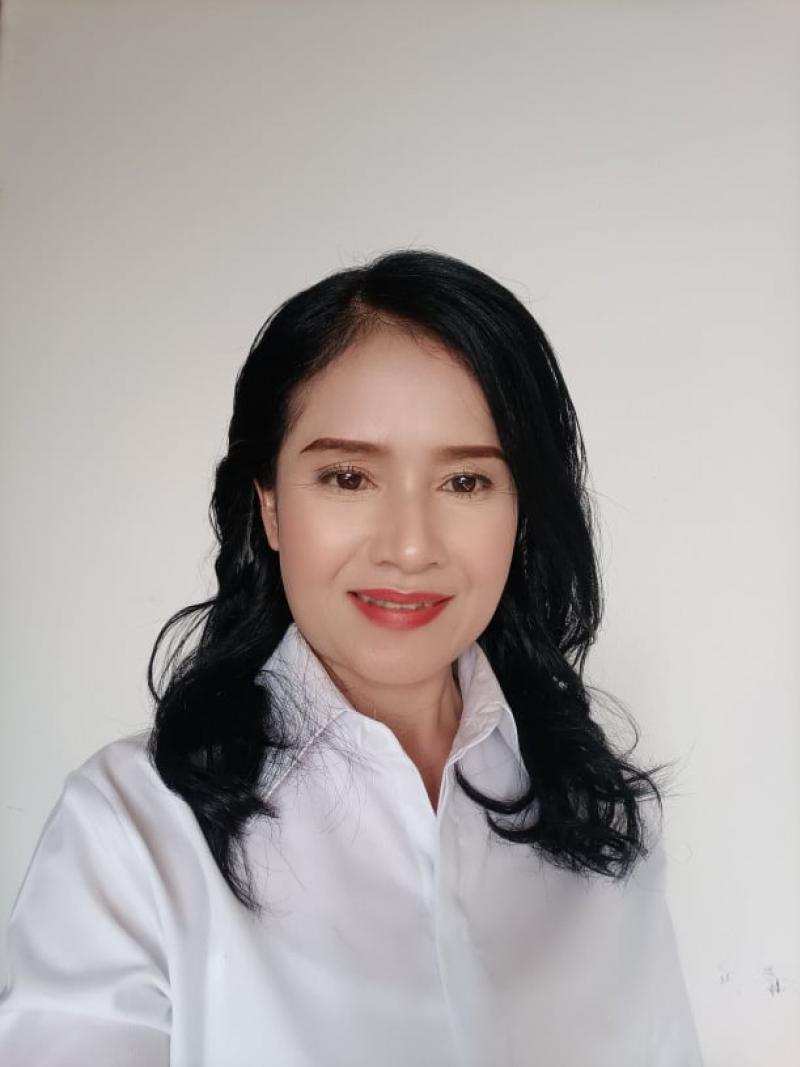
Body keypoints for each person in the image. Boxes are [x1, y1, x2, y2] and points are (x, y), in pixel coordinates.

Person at [0, 249, 704, 1065]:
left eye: (466, 482)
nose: (408, 547)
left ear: (522, 511)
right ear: (269, 504)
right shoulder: (132, 831)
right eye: (347, 477)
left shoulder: (600, 823)